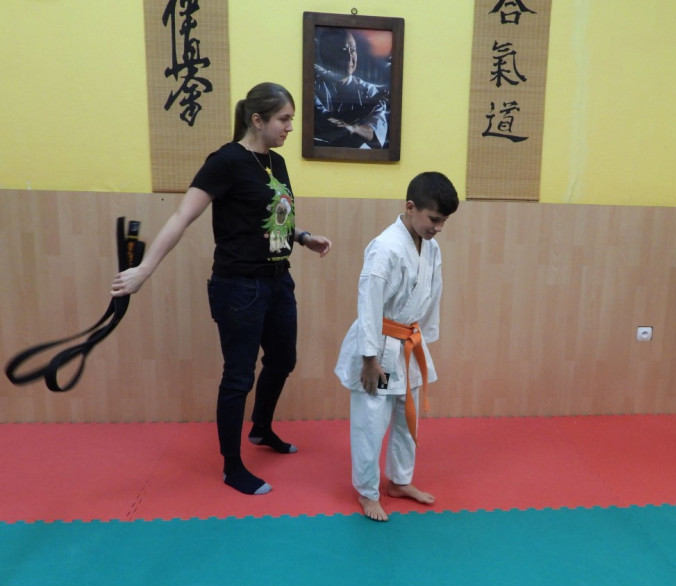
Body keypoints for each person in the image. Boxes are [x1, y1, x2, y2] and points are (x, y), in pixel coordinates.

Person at [111, 82, 332, 495]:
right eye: (284, 119)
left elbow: (272, 215)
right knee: (239, 376)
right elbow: (181, 216)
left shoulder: (277, 162)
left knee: (283, 359)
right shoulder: (226, 161)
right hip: (239, 287)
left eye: (291, 119)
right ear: (257, 120)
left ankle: (260, 428)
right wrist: (144, 269)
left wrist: (303, 237)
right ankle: (232, 466)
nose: (289, 127)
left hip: (278, 280)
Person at [334, 172, 459, 521]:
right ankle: (367, 492)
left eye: (444, 221)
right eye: (434, 219)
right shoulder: (385, 248)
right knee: (372, 421)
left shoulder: (430, 247)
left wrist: (425, 339)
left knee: (408, 417)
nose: (439, 228)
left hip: (408, 344)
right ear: (410, 207)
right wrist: (368, 359)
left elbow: (433, 294)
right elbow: (369, 304)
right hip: (380, 350)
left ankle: (400, 481)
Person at [313, 28, 389, 149]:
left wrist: (352, 128)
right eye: (342, 51)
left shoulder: (368, 91)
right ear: (325, 55)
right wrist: (365, 109)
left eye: (352, 50)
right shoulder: (313, 86)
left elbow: (373, 132)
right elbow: (324, 121)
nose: (349, 57)